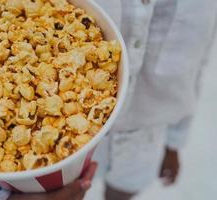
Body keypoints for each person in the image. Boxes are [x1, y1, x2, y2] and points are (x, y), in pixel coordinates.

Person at [0, 0, 217, 200]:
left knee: (126, 189)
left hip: (148, 136)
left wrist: (176, 139)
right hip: (39, 167)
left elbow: (196, 62)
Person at [93, 0, 217, 199]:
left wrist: (174, 143)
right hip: (73, 130)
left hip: (148, 136)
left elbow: (194, 70)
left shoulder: (204, 6)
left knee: (123, 192)